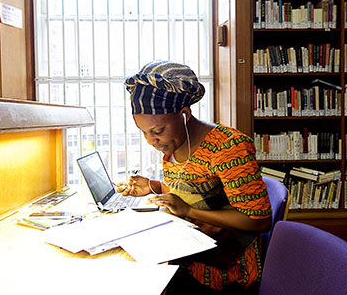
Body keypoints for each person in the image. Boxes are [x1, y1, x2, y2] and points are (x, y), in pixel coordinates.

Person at [117, 61, 272, 294]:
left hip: (225, 270)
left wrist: (189, 212)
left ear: (184, 115)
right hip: (187, 252)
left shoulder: (228, 147)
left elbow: (259, 220)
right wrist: (155, 186)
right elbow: (193, 190)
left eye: (157, 131)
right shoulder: (173, 144)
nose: (151, 141)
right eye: (144, 132)